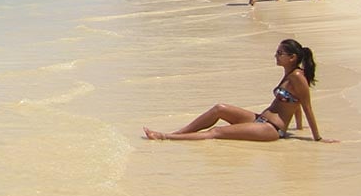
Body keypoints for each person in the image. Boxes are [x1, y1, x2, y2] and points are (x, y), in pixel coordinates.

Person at [143, 39, 335, 142]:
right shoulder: (289, 73)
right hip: (260, 119)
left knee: (217, 131)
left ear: (292, 57)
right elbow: (296, 104)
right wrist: (298, 127)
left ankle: (165, 137)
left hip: (271, 129)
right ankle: (178, 133)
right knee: (219, 108)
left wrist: (317, 138)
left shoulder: (297, 77)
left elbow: (307, 106)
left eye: (279, 53)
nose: (275, 56)